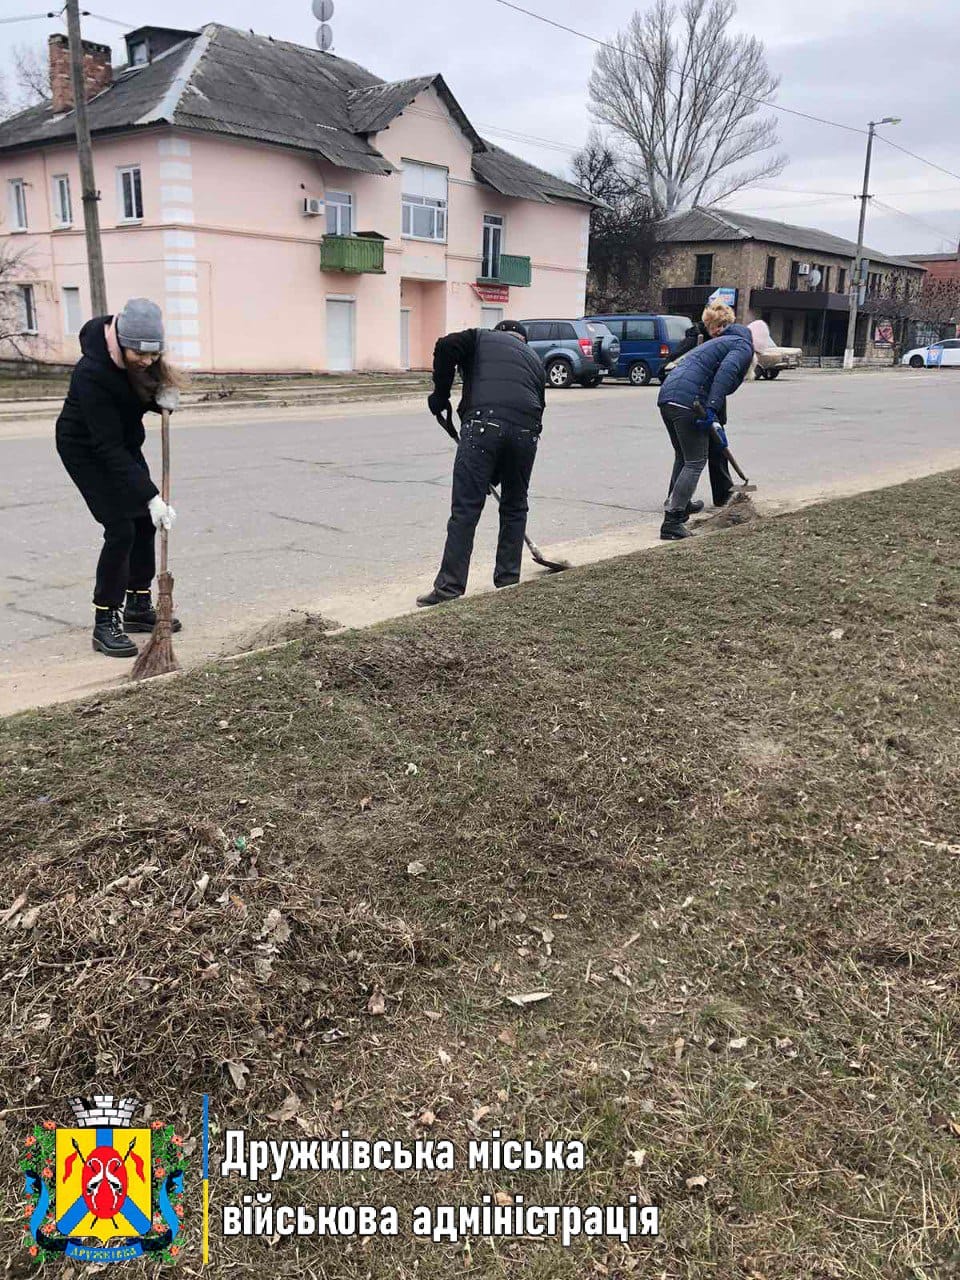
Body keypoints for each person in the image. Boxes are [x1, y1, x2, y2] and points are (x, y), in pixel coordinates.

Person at [55, 298, 182, 657]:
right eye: (138, 354)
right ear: (121, 342)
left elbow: (135, 396)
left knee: (143, 524)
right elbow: (107, 447)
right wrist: (152, 495)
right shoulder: (92, 372)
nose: (146, 361)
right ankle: (105, 619)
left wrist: (161, 400)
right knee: (121, 528)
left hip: (121, 446)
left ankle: (139, 606)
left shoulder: (139, 361)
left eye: (153, 355)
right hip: (86, 449)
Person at [417, 320, 545, 607]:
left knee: (465, 509)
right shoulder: (535, 360)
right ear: (523, 340)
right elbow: (538, 409)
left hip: (483, 425)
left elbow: (445, 345)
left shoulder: (479, 338)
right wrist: (495, 469)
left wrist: (440, 395)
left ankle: (450, 588)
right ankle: (508, 581)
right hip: (527, 433)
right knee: (514, 506)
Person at [656, 314, 769, 540]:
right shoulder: (742, 347)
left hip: (668, 397)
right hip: (690, 401)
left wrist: (713, 416)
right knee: (696, 461)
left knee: (684, 456)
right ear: (756, 349)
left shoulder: (723, 341)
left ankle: (682, 503)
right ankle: (672, 521)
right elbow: (725, 373)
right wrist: (712, 407)